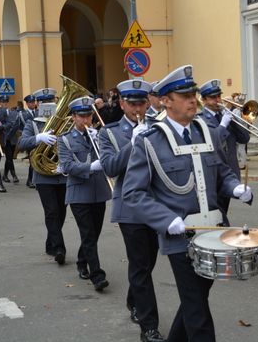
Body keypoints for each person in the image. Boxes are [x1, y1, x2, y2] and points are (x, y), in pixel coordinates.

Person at [122, 65, 252, 342]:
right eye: (184, 95)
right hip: (180, 238)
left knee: (196, 298)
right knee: (198, 312)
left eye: (193, 93)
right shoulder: (150, 141)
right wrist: (166, 220)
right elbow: (133, 193)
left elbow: (221, 173)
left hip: (215, 232)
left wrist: (235, 187)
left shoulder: (207, 132)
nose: (193, 99)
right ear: (166, 101)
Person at [99, 79, 164, 342]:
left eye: (141, 102)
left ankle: (133, 298)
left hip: (157, 206)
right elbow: (110, 167)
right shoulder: (109, 133)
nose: (137, 108)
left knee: (149, 262)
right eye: (132, 103)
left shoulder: (159, 128)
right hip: (129, 208)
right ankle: (149, 327)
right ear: (122, 103)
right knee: (139, 264)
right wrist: (132, 144)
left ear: (147, 103)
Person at [58, 96, 111, 292]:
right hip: (79, 192)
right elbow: (68, 165)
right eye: (82, 116)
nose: (86, 120)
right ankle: (97, 275)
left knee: (94, 233)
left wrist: (102, 143)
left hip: (98, 191)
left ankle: (82, 261)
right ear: (73, 117)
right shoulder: (65, 139)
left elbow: (110, 157)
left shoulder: (98, 135)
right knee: (88, 233)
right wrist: (91, 166)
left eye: (89, 115)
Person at [18, 88, 69, 265]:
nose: (49, 105)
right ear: (39, 104)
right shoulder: (32, 123)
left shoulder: (64, 121)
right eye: (45, 102)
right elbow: (22, 143)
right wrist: (38, 138)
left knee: (61, 212)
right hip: (43, 176)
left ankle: (50, 243)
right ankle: (59, 248)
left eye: (52, 101)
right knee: (52, 211)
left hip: (62, 173)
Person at [197, 79, 250, 226]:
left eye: (219, 96)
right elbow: (213, 143)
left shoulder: (225, 116)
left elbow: (244, 138)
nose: (218, 100)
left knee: (222, 215)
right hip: (213, 174)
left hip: (229, 173)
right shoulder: (200, 120)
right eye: (213, 98)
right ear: (204, 100)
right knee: (219, 219)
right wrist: (223, 124)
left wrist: (236, 119)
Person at [0, 95, 20, 184]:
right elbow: (0, 123)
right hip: (5, 138)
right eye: (3, 102)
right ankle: (14, 175)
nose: (5, 104)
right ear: (0, 103)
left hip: (12, 138)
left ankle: (5, 175)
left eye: (6, 102)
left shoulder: (12, 112)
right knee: (9, 158)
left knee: (10, 158)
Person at [19, 94, 38, 188]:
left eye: (33, 102)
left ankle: (31, 179)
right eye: (30, 102)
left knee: (36, 160)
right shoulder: (23, 114)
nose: (33, 104)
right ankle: (31, 180)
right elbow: (17, 126)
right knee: (32, 161)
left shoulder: (39, 112)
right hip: (29, 139)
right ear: (26, 104)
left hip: (39, 138)